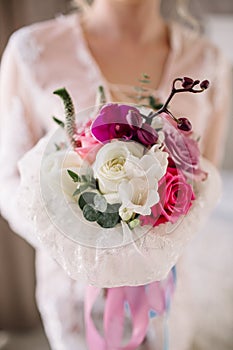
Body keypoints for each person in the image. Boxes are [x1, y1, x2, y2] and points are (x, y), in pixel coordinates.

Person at [0, 0, 232, 349]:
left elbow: (206, 181)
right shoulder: (32, 50)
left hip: (168, 292)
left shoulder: (208, 60)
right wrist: (87, 249)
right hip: (73, 294)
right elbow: (8, 182)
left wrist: (151, 244)